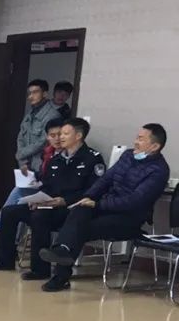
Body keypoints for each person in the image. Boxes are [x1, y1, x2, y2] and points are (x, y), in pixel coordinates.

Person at [40, 123, 170, 292]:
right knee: (79, 210)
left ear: (155, 146)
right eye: (136, 137)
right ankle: (62, 250)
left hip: (128, 219)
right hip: (106, 207)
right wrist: (88, 197)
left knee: (81, 226)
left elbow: (134, 202)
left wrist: (98, 204)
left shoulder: (159, 171)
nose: (135, 142)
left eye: (141, 139)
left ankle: (61, 274)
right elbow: (105, 180)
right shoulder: (128, 156)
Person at [0, 118, 105, 279]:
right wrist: (37, 199)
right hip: (49, 204)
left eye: (65, 134)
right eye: (59, 134)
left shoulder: (92, 158)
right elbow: (47, 185)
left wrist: (64, 200)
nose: (60, 137)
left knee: (39, 216)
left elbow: (94, 190)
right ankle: (4, 260)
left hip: (71, 208)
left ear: (78, 136)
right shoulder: (56, 159)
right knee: (9, 212)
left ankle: (40, 269)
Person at [0, 81, 62, 244]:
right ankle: (6, 236)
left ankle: (2, 233)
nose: (31, 96)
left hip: (41, 166)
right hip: (27, 165)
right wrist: (22, 161)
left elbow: (43, 142)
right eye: (29, 93)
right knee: (19, 196)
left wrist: (21, 154)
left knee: (18, 195)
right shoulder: (31, 113)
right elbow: (21, 137)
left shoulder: (52, 115)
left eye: (35, 92)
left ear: (45, 94)